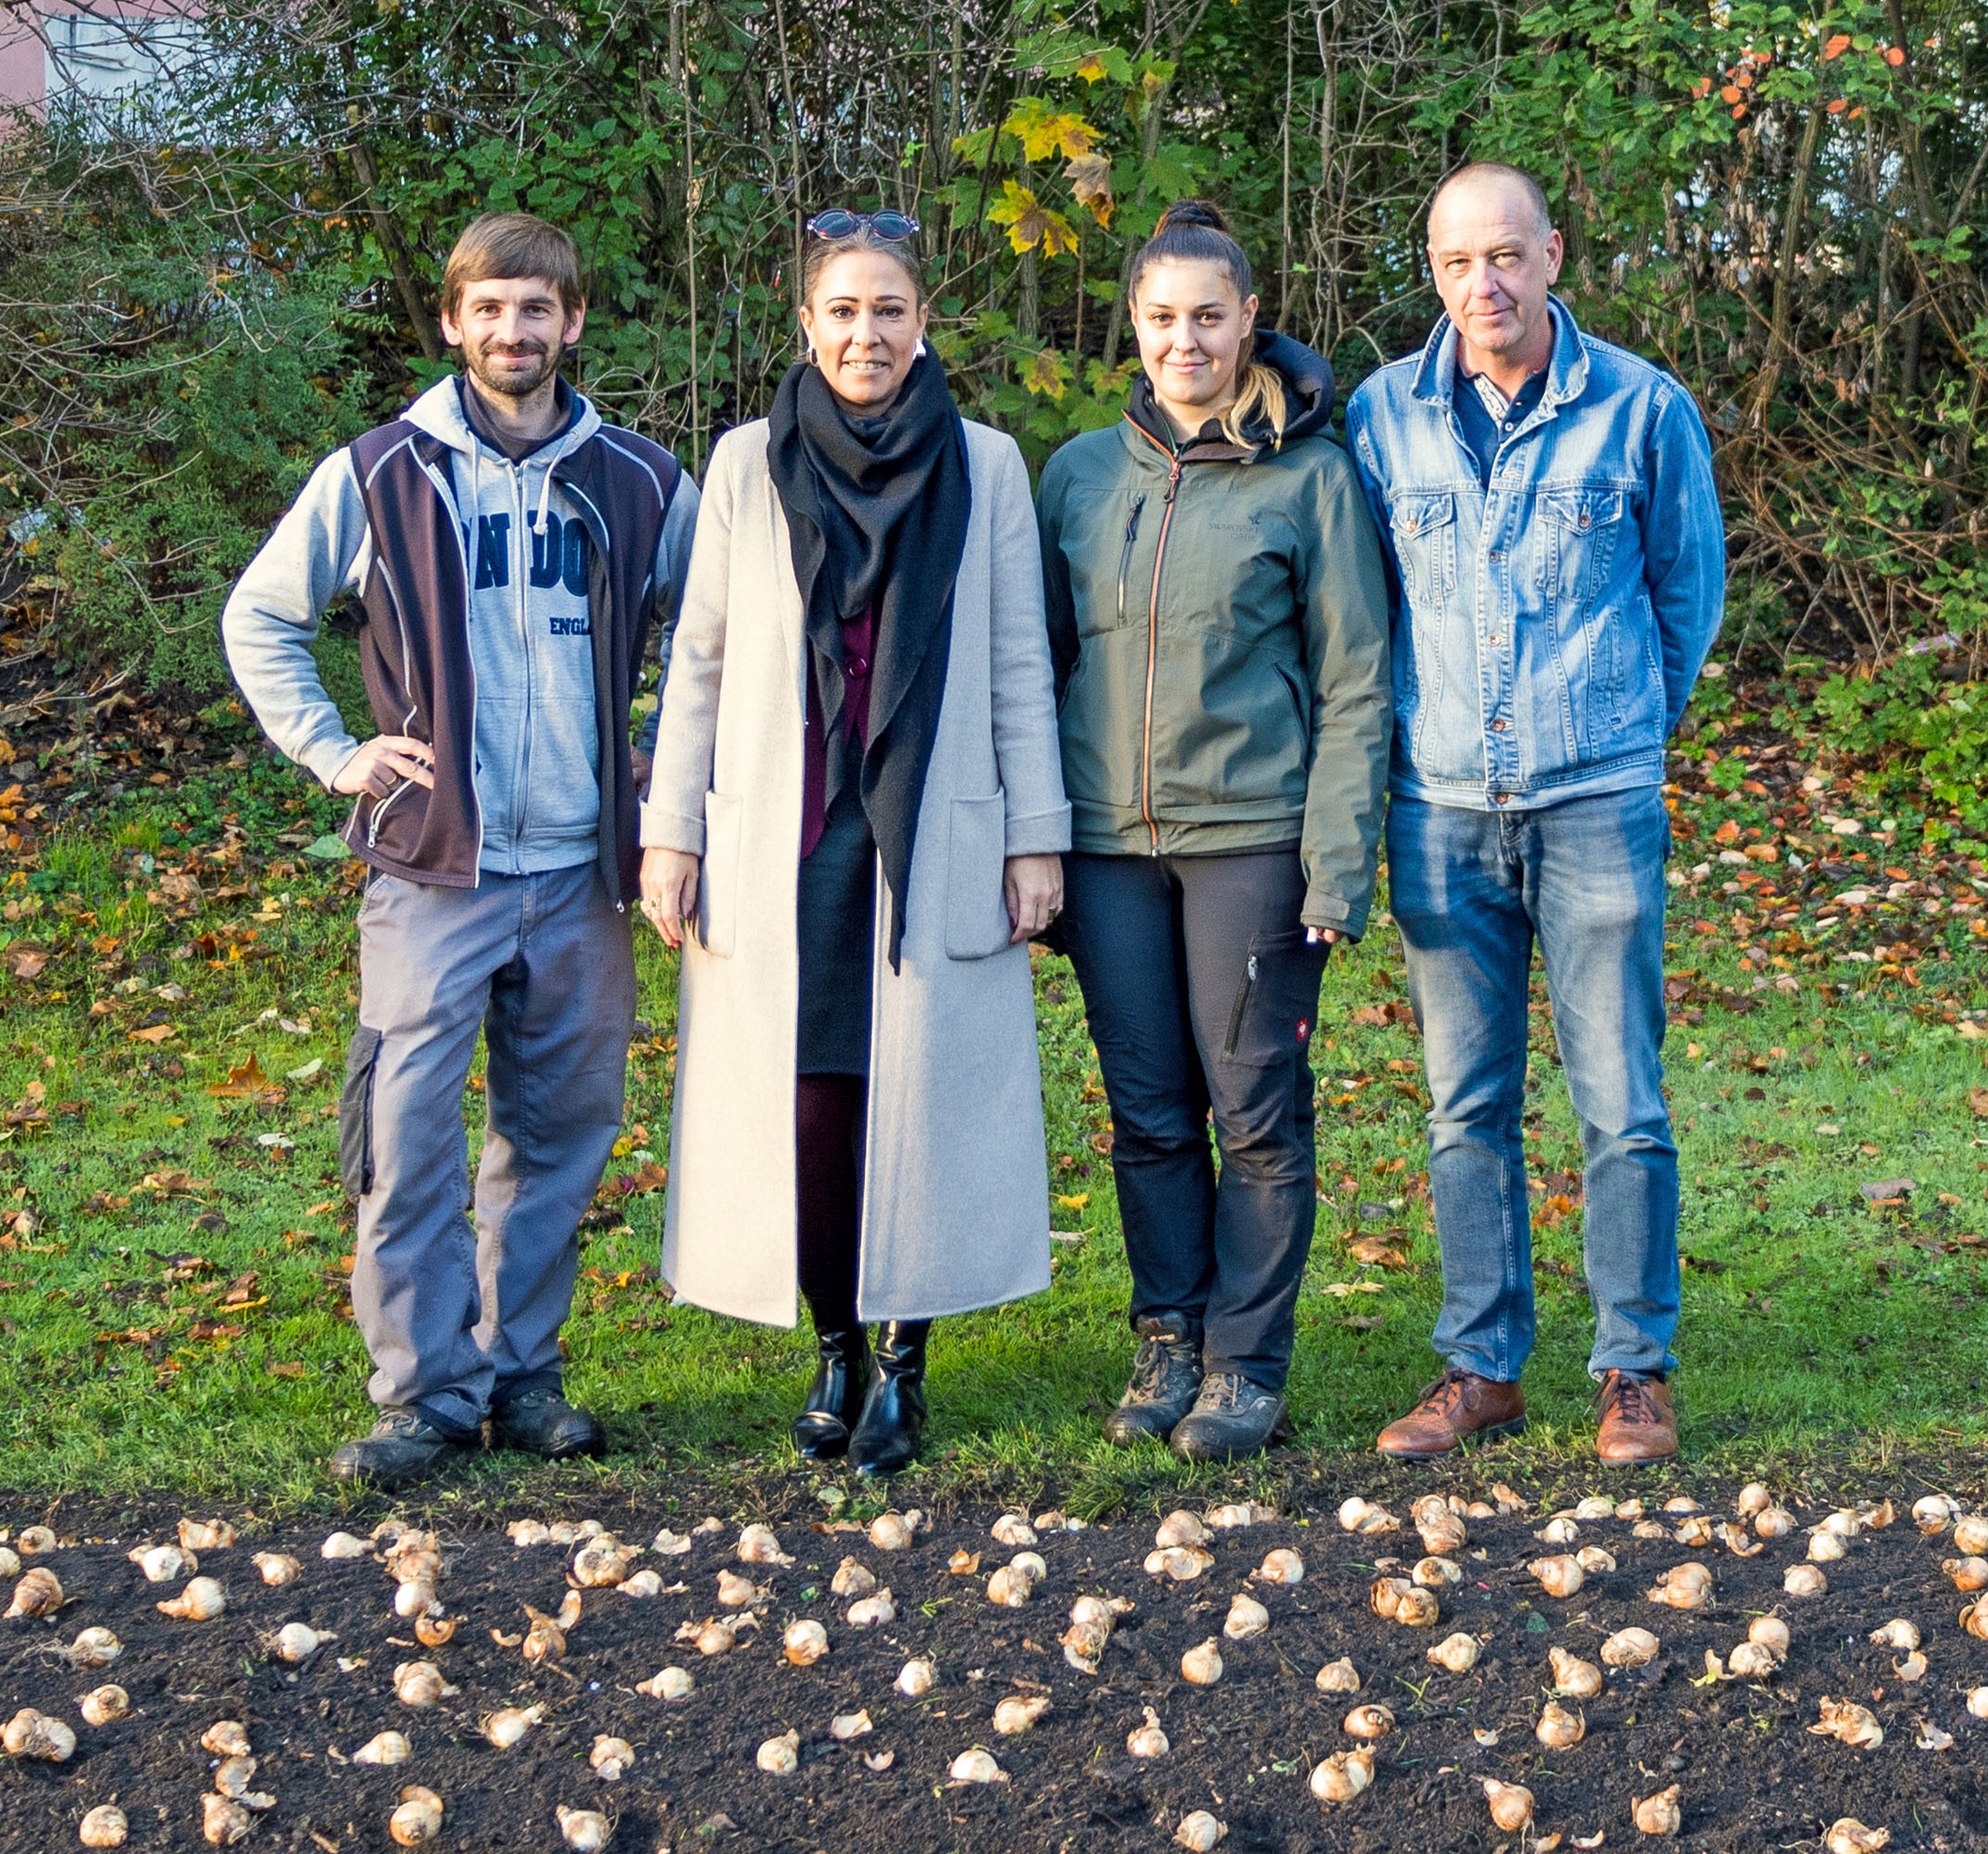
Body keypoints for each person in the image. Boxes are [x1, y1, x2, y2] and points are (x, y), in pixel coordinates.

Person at [223, 212, 702, 1486]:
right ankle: (423, 1392)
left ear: (574, 321)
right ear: (452, 321)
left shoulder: (644, 482)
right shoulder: (382, 472)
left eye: (536, 307)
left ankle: (526, 1376)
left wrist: (666, 776)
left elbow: (717, 649)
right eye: (489, 307)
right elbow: (261, 614)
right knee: (411, 1133)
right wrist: (338, 753)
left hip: (583, 877)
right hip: (436, 863)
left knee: (558, 1137)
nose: (513, 329)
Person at [641, 208, 1069, 1478]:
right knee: (815, 1098)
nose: (866, 333)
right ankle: (831, 1345)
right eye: (843, 311)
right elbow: (700, 663)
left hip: (935, 828)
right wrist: (672, 833)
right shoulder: (741, 467)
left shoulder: (986, 467)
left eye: (889, 310)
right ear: (806, 324)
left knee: (921, 1100)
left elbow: (1014, 669)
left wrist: (1034, 836)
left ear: (923, 321)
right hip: (789, 827)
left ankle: (904, 1363)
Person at [1345, 162, 1726, 1465]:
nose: (1483, 285)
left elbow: (1688, 598)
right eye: (1458, 263)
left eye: (1506, 256)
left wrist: (1619, 728)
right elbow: (1367, 611)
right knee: (1466, 1105)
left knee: (1621, 1098)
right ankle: (1481, 1367)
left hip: (1596, 804)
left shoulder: (1644, 410)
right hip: (1441, 805)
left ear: (1554, 255)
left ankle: (1633, 1368)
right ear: (1433, 272)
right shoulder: (1382, 418)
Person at [1035, 199, 1391, 1462]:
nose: (1184, 340)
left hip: (1254, 841)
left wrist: (1338, 859)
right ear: (1132, 320)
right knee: (1146, 1111)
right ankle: (1168, 1333)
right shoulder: (1077, 474)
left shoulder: (1315, 477)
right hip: (1108, 849)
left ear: (1249, 319)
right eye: (1161, 316)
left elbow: (1356, 680)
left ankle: (1245, 1365)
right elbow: (1041, 666)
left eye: (1208, 317)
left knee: (1254, 1109)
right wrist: (1035, 842)